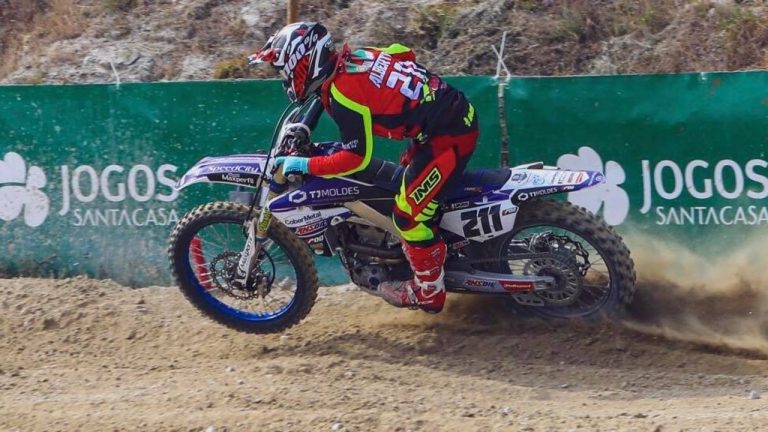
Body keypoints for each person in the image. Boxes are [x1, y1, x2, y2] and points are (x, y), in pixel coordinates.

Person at [249, 22, 478, 313]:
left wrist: (303, 163)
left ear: (305, 62)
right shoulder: (356, 58)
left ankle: (428, 292)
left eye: (286, 71)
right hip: (442, 122)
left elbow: (355, 158)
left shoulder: (345, 93)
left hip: (448, 137)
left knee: (408, 216)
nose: (285, 79)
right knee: (404, 187)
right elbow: (402, 53)